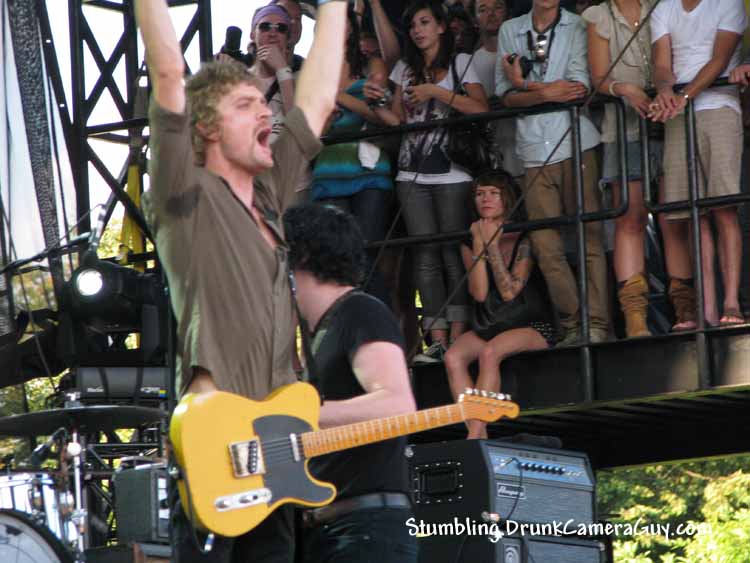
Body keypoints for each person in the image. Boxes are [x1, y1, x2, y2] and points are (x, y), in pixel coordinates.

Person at [134, 0, 347, 560]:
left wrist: (336, 6)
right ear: (206, 128)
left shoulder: (271, 198)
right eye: (245, 105)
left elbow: (317, 101)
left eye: (262, 104)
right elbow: (168, 72)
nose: (264, 116)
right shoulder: (187, 196)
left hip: (273, 450)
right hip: (216, 444)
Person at [283, 203, 418, 563]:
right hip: (328, 528)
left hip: (365, 528)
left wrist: (298, 414)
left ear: (299, 256)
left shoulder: (361, 312)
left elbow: (397, 405)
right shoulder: (318, 332)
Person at [366, 0, 489, 362]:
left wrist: (435, 92)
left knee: (452, 250)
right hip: (410, 172)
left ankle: (459, 333)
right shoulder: (404, 68)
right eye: (413, 26)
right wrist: (377, 104)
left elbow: (481, 108)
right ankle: (436, 337)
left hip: (453, 171)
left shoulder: (461, 61)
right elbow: (399, 121)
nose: (418, 31)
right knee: (425, 254)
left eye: (424, 22)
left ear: (440, 26)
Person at [496, 0, 610, 345]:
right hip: (532, 149)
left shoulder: (577, 24)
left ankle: (599, 324)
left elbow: (577, 87)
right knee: (545, 245)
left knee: (589, 236)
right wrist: (543, 91)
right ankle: (573, 323)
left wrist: (525, 85)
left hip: (577, 141)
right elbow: (504, 95)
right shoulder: (510, 29)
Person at [649, 0, 747, 327]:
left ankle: (731, 302)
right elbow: (662, 64)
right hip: (678, 111)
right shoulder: (664, 8)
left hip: (719, 107)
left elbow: (720, 59)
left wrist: (683, 96)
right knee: (693, 213)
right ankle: (706, 309)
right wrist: (665, 90)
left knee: (724, 208)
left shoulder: (728, 3)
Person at [582, 0, 673, 337]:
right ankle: (635, 318)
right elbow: (598, 77)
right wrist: (624, 89)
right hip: (624, 125)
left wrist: (664, 91)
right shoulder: (598, 16)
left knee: (674, 215)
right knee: (629, 217)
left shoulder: (661, 6)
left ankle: (687, 307)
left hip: (670, 118)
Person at [444, 172, 554, 439]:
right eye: (480, 194)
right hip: (492, 321)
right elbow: (480, 293)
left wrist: (492, 245)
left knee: (490, 353)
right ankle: (478, 434)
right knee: (452, 357)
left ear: (507, 198)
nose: (486, 199)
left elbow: (509, 292)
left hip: (530, 322)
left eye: (494, 193)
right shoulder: (470, 239)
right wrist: (478, 243)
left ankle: (475, 436)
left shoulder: (524, 236)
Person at [312, 9, 394, 305]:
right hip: (329, 168)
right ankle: (347, 324)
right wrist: (328, 117)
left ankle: (379, 323)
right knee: (336, 256)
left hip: (368, 168)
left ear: (351, 27)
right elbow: (312, 129)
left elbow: (382, 115)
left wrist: (338, 96)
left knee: (366, 252)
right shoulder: (315, 69)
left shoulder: (371, 63)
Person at [472, 0, 523, 176]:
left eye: (498, 7)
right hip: (493, 150)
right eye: (483, 10)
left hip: (525, 142)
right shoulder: (470, 62)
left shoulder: (522, 53)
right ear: (475, 19)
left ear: (508, 13)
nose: (491, 14)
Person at [248, 5, 296, 141]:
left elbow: (298, 128)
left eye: (281, 28)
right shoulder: (238, 80)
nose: (273, 33)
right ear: (253, 35)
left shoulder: (301, 80)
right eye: (265, 27)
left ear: (287, 39)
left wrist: (282, 69)